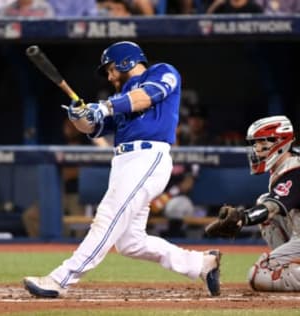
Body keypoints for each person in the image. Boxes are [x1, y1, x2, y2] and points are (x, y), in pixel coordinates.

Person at [23, 41, 221, 298]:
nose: (109, 75)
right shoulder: (120, 98)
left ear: (126, 61)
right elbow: (93, 128)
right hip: (124, 162)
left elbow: (146, 97)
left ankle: (61, 279)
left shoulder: (161, 72)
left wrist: (103, 106)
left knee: (107, 216)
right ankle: (201, 264)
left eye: (111, 69)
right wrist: (79, 116)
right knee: (130, 243)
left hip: (148, 157)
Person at [206, 115, 300, 291]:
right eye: (254, 144)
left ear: (278, 141)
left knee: (259, 274)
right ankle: (285, 265)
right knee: (263, 200)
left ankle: (284, 267)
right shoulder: (286, 166)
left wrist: (243, 218)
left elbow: (272, 208)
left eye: (260, 143)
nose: (256, 149)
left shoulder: (294, 169)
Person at [22, 119, 90, 238]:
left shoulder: (87, 145)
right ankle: (45, 248)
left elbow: (82, 171)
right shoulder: (60, 144)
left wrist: (70, 173)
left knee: (80, 228)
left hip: (78, 195)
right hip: (58, 194)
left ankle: (74, 249)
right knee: (29, 216)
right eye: (67, 125)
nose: (69, 128)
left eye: (73, 125)